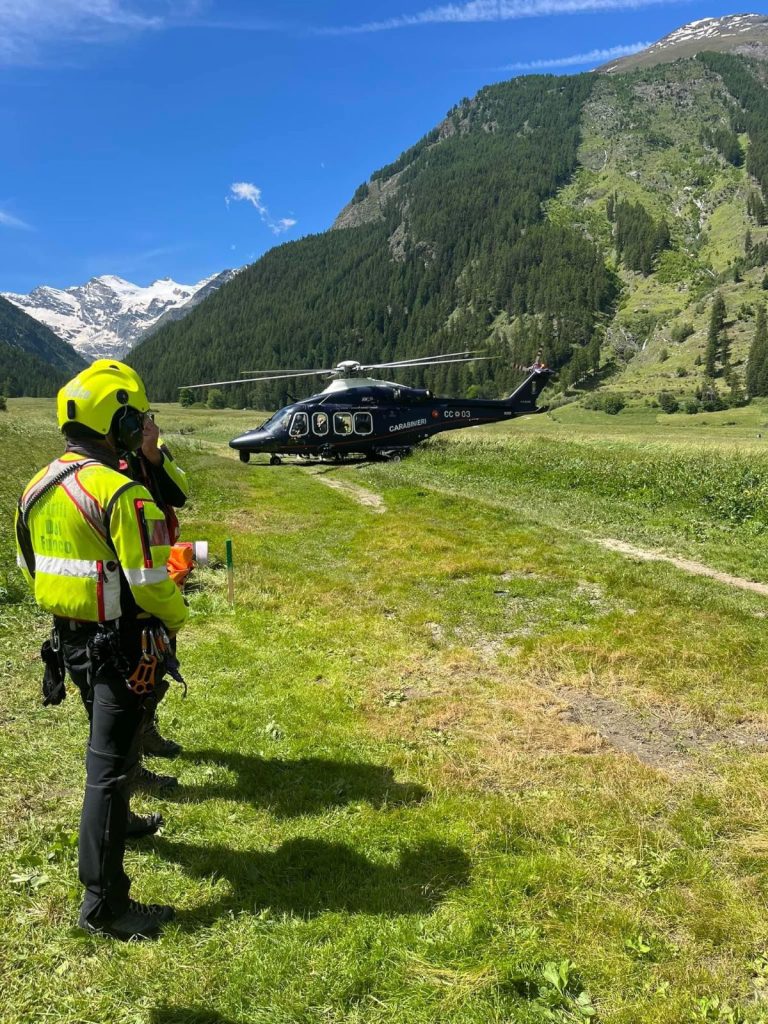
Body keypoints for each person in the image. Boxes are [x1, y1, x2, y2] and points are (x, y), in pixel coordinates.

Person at [15, 360, 188, 940]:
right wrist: (177, 618)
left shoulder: (34, 487)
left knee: (108, 751)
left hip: (71, 643)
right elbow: (148, 579)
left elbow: (29, 567)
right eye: (132, 417)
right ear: (116, 421)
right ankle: (103, 903)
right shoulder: (121, 491)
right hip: (123, 646)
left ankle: (126, 824)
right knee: (108, 771)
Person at [121, 404, 189, 771]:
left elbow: (180, 493)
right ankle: (130, 750)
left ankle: (146, 728)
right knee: (132, 669)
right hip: (125, 575)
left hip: (155, 569)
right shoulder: (105, 460)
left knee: (158, 657)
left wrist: (153, 453)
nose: (146, 425)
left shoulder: (156, 454)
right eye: (138, 420)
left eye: (148, 418)